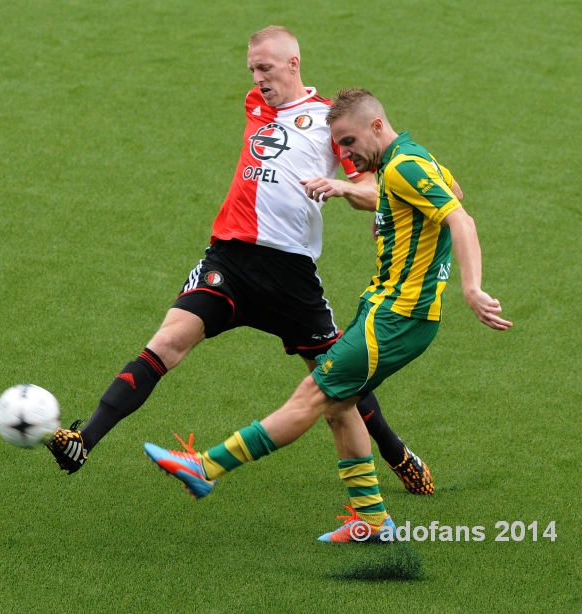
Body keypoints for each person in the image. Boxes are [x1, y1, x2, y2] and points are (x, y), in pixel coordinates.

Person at [48, 27, 434, 495]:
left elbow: (380, 191)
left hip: (291, 274)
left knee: (337, 383)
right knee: (168, 342)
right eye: (252, 70)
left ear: (293, 64)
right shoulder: (256, 104)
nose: (257, 79)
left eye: (265, 69)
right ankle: (84, 439)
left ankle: (396, 455)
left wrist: (344, 186)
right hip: (229, 261)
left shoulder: (332, 123)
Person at [144, 87, 512, 543]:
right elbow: (452, 191)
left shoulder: (404, 166)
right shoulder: (412, 159)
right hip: (385, 310)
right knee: (341, 407)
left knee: (310, 398)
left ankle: (205, 467)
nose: (347, 156)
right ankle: (373, 522)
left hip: (398, 318)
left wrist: (470, 288)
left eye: (351, 143)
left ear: (377, 126)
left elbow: (461, 218)